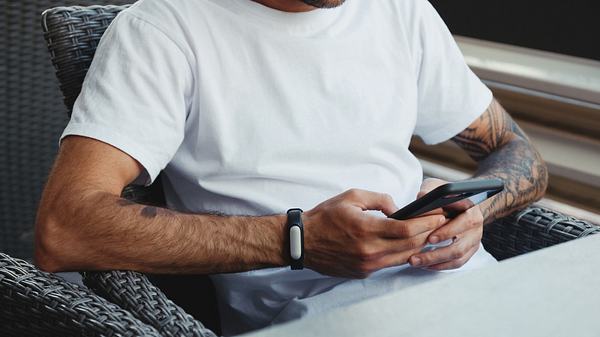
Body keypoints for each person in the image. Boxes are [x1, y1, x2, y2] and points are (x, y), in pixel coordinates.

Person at [35, 0, 548, 335]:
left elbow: (515, 149)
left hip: (479, 292)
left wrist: (478, 211)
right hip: (315, 318)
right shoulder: (163, 29)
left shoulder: (399, 11)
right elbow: (65, 228)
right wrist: (297, 240)